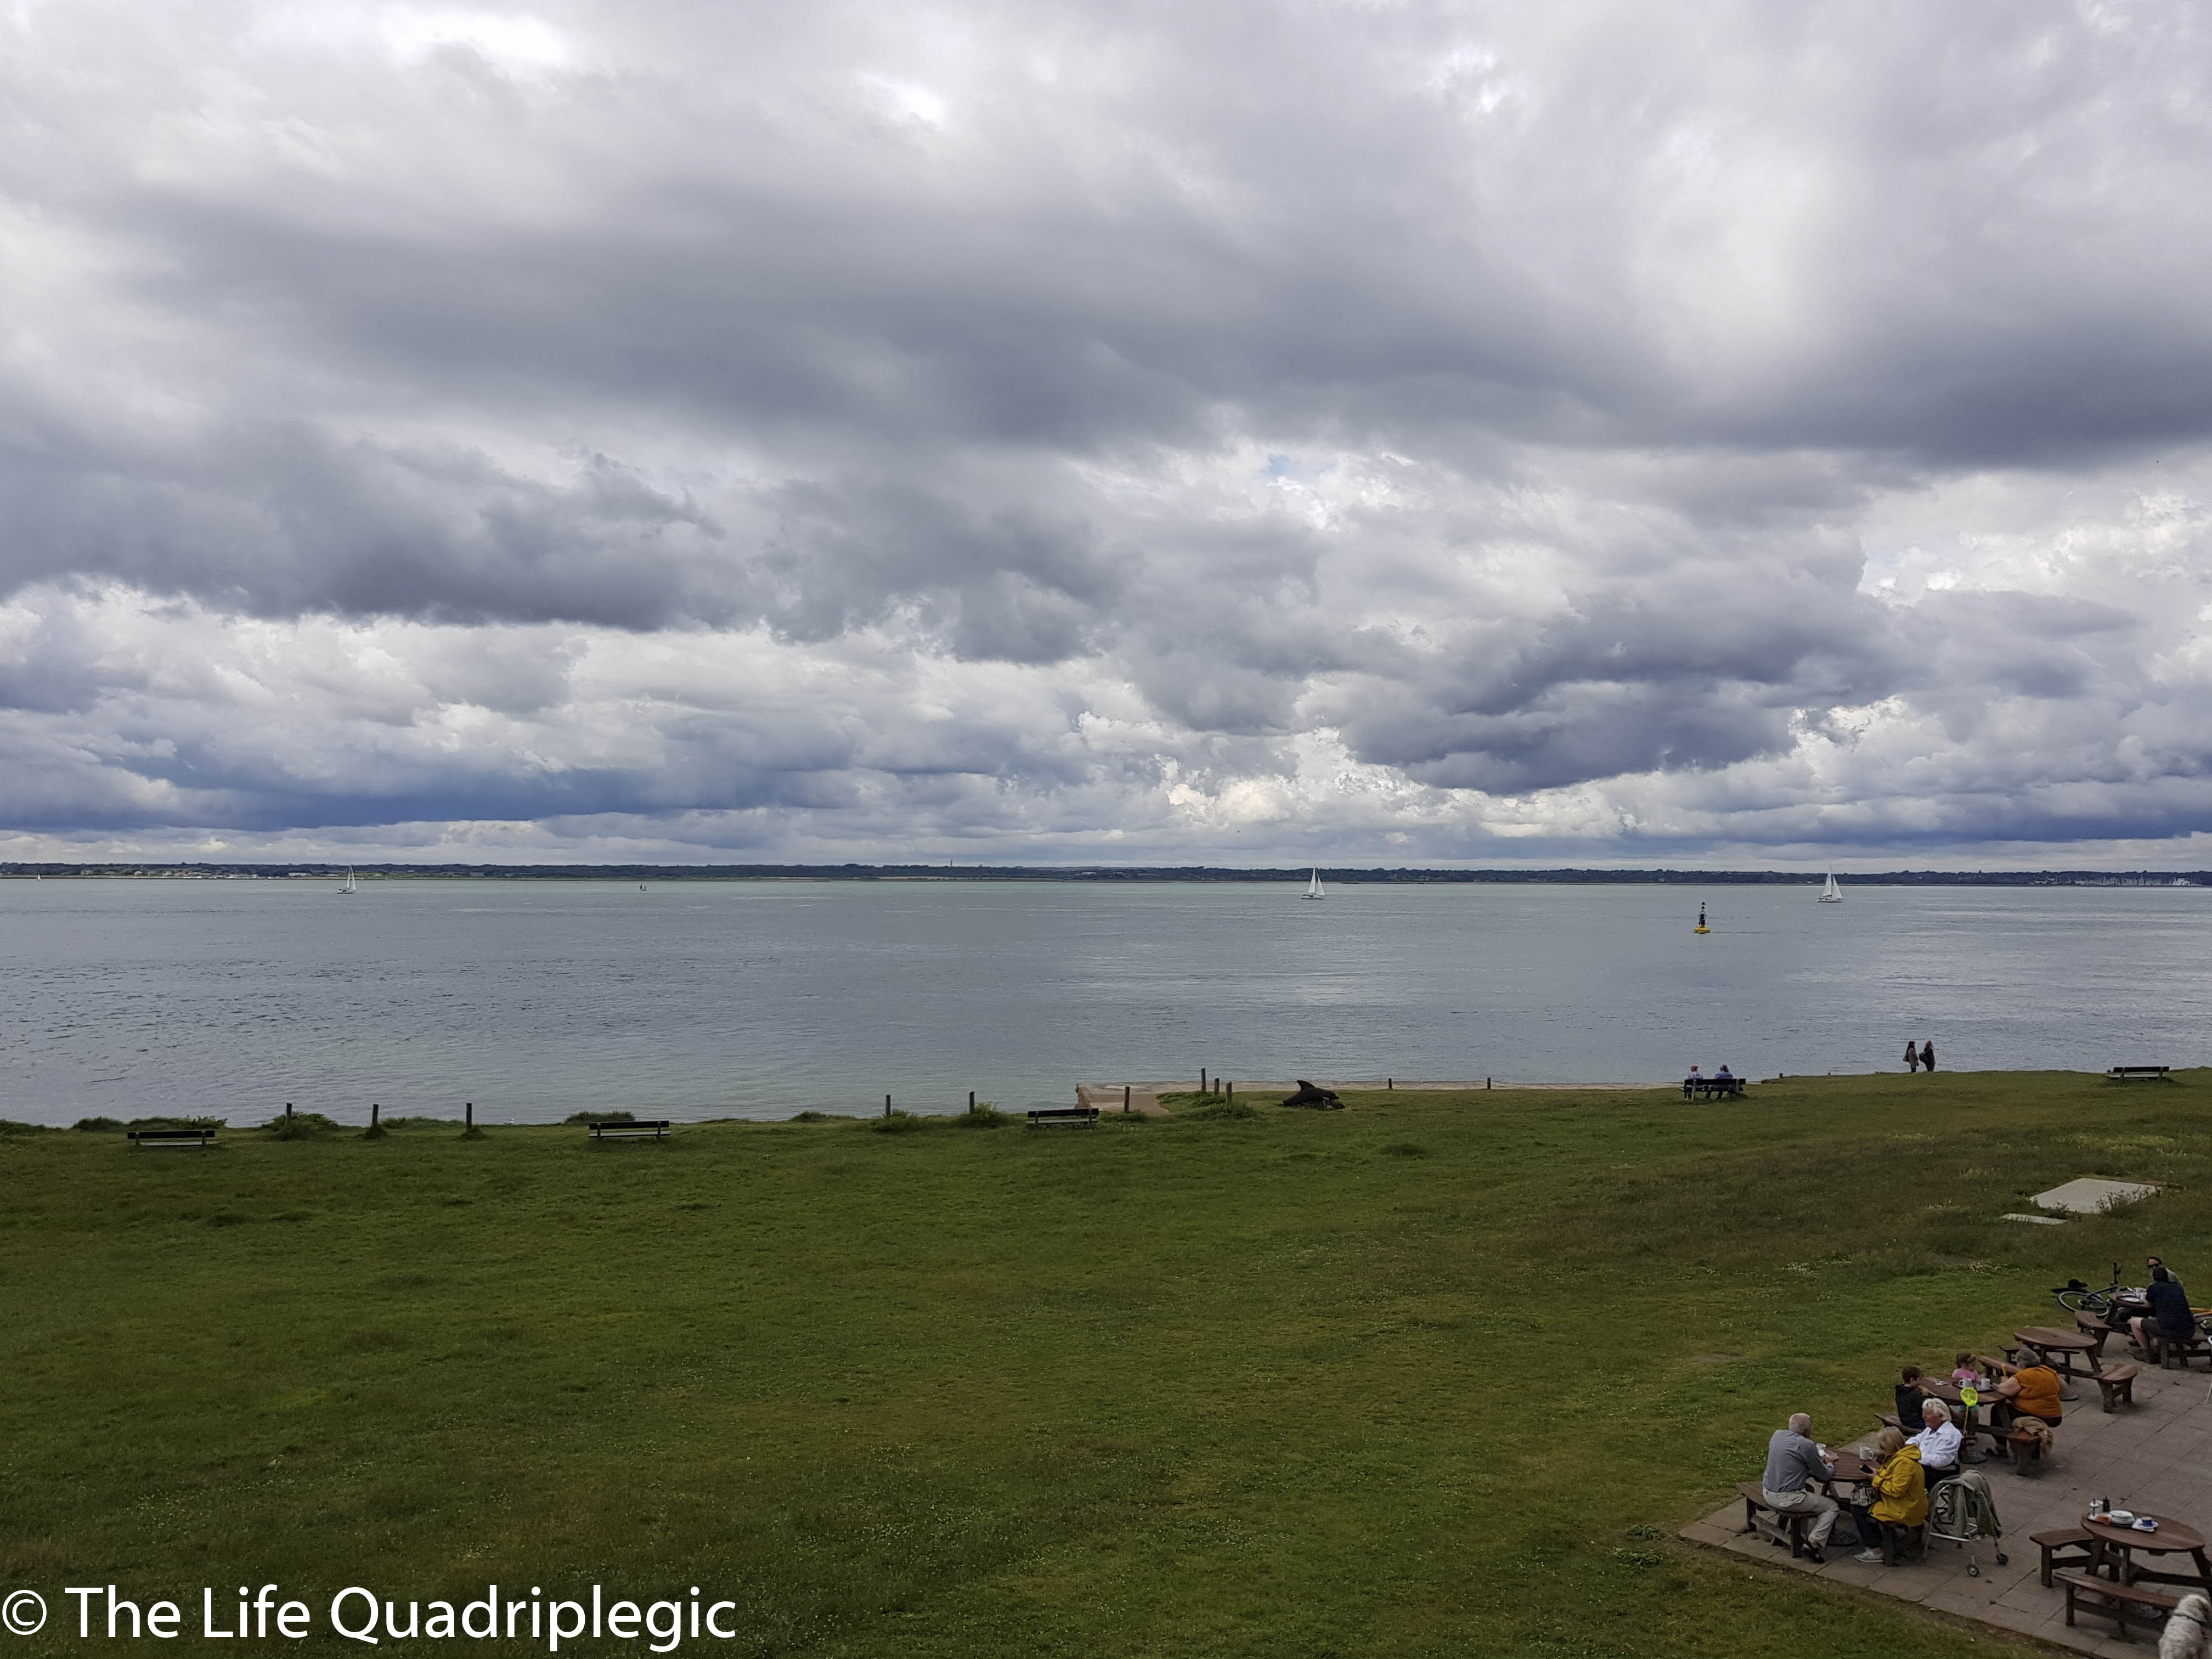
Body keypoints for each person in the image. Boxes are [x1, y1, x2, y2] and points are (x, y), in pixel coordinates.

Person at [1761, 1413, 1839, 1561]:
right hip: (1787, 1499)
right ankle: (1813, 1542)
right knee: (1832, 1507)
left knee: (1808, 1490)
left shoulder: (1777, 1435)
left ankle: (1800, 1535)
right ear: (1807, 1431)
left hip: (1768, 1491)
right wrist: (1830, 1463)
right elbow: (1825, 1475)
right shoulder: (1807, 1445)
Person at [1850, 1427, 1927, 1563]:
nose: (1881, 1448)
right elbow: (1894, 1477)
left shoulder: (1905, 1463)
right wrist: (1877, 1473)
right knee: (1863, 1505)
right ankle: (1880, 1542)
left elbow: (1896, 1490)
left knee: (1860, 1508)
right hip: (1905, 1503)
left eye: (1882, 1446)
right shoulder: (1901, 1457)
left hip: (1905, 1508)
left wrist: (1876, 1480)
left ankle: (1876, 1549)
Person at [2132, 1263, 2198, 1358]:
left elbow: (2147, 1304)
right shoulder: (2178, 1288)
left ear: (2154, 1278)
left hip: (2170, 1330)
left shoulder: (2154, 1288)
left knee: (2135, 1322)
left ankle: (2146, 1352)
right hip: (2189, 1330)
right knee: (2159, 1320)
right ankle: (2156, 1346)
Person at [1993, 1348, 2063, 1428]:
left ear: (2022, 1362)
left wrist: (2004, 1381)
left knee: (1998, 1410)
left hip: (2038, 1415)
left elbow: (2004, 1389)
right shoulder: (2048, 1371)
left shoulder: (2024, 1376)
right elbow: (2064, 1387)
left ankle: (2003, 1438)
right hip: (2055, 1417)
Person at [1910, 1399, 1962, 1487]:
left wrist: (1915, 1455)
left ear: (1941, 1416)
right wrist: (1907, 1447)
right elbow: (1918, 1439)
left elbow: (1939, 1461)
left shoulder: (1950, 1435)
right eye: (1924, 1413)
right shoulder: (1931, 1428)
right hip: (1920, 1465)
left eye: (1927, 1414)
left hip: (1937, 1472)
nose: (1923, 1417)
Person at [1895, 1365, 1938, 1431]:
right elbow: (1925, 1407)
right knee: (1936, 1422)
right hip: (1915, 1422)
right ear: (1912, 1380)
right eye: (1920, 1379)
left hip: (1904, 1419)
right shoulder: (1914, 1394)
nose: (1921, 1382)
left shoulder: (1901, 1391)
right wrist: (1925, 1395)